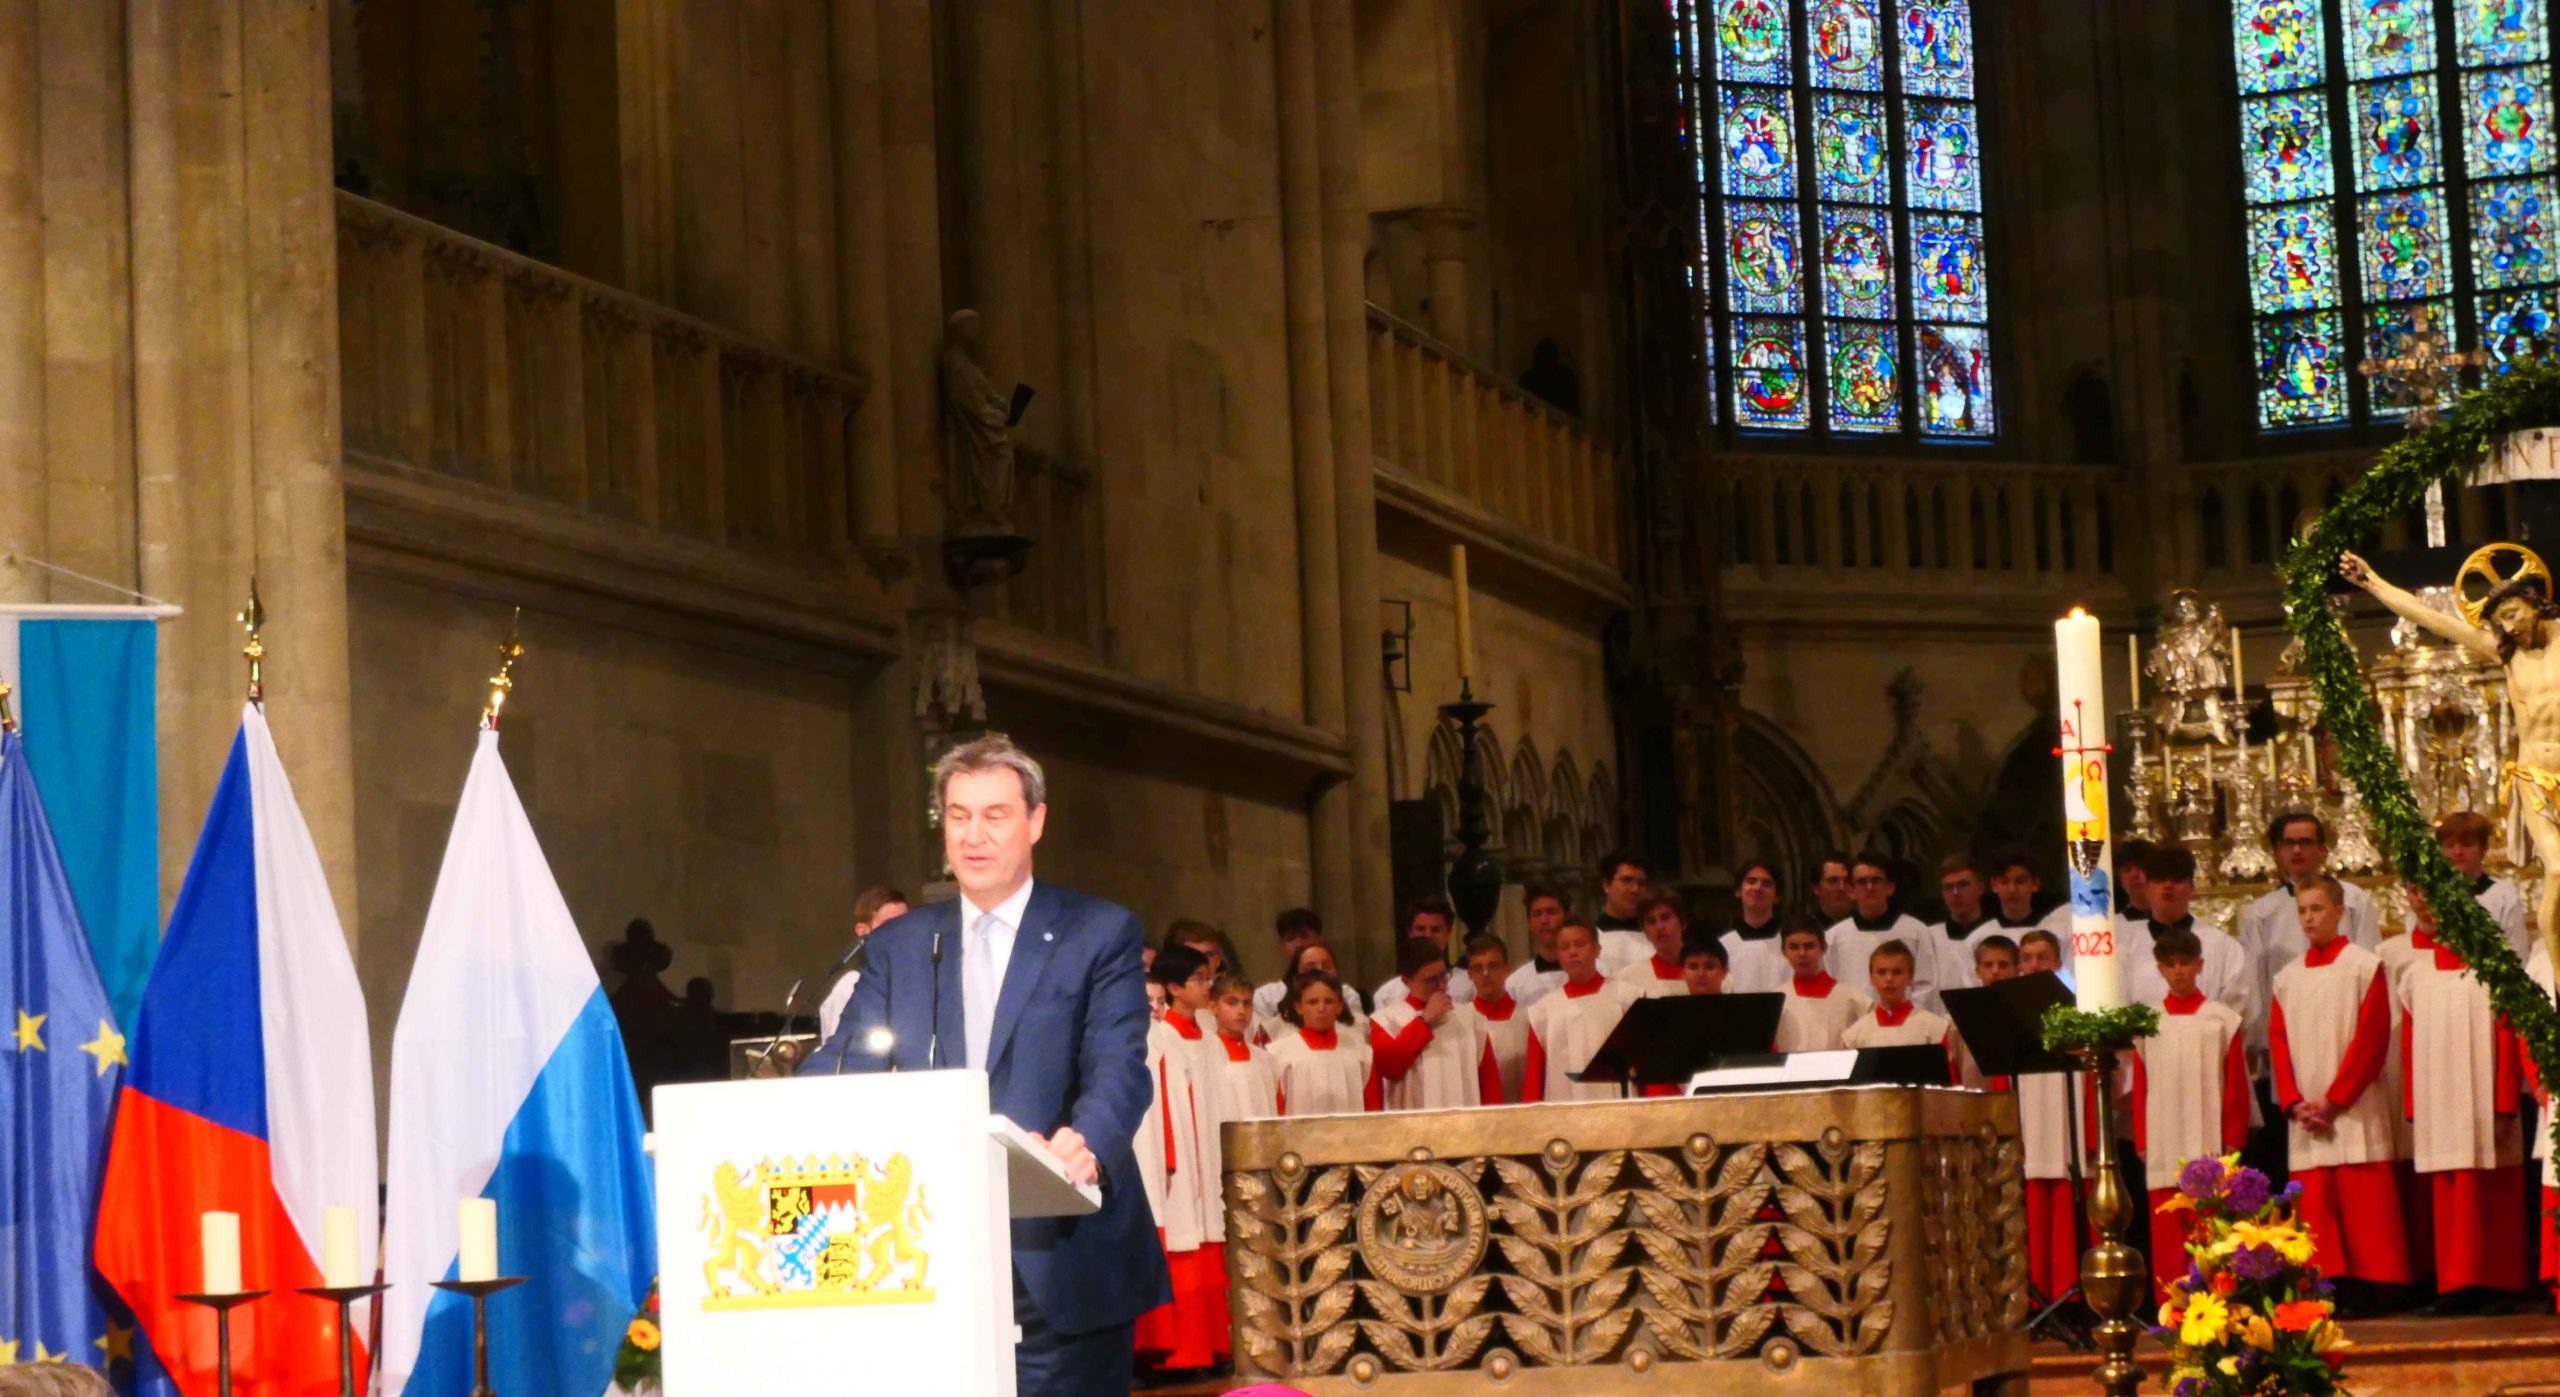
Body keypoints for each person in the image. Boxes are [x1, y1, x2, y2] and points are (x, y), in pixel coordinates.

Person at [810, 735, 1162, 1393]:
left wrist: (1085, 1141)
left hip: (1060, 1253)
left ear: (1035, 821)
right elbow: (845, 1061)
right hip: (926, 1255)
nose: (974, 835)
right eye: (959, 814)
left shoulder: (1098, 930)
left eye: (995, 814)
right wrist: (776, 1120)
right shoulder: (901, 943)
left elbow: (1119, 1063)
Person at [2345, 547, 2560, 959]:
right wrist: (2371, 581)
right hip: (2534, 778)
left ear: (2534, 602)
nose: (2510, 627)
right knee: (2556, 870)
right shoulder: (2506, 655)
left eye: (2513, 613)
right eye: (2501, 621)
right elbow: (2431, 617)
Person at [2269, 874, 2411, 1310]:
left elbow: (2371, 1040)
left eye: (2316, 909)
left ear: (2338, 911)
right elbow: (2279, 1044)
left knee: (2364, 1203)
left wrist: (2335, 1101)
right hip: (2308, 1114)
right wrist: (2295, 1101)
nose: (2309, 918)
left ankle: (2377, 1289)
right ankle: (2326, 1287)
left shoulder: (2364, 967)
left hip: (2352, 1107)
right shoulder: (2286, 978)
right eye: (2302, 911)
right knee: (2319, 1210)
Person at [2400, 885, 2531, 1313]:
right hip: (2440, 1102)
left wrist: (2504, 1104)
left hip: (2486, 1102)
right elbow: (2408, 1046)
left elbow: (2509, 1042)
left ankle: (2498, 1286)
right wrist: (2414, 1106)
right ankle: (2455, 1285)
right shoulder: (2415, 977)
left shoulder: (2496, 972)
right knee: (2450, 1196)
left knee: (2491, 1196)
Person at [2128, 927, 2250, 1292]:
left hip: (2207, 1136)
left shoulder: (2221, 1020)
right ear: (2160, 969)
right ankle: (2170, 1303)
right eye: (2170, 964)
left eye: (2185, 963)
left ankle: (2213, 1296)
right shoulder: (2147, 1024)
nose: (2179, 971)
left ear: (2200, 965)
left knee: (2208, 1226)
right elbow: (2141, 1085)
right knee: (2166, 1223)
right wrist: (2142, 1136)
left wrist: (2232, 1138)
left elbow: (2236, 1087)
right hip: (2164, 1136)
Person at [1135, 947, 1226, 1376]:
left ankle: (1205, 1346)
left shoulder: (1193, 1037)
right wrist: (1174, 1156)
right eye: (1199, 979)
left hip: (1193, 1152)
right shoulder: (1156, 1036)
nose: (1208, 987)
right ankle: (1173, 1349)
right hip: (1163, 1155)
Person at [2243, 812, 2379, 1052]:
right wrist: (2262, 1040)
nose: (2297, 850)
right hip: (2289, 1029)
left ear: (2323, 849)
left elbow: (2371, 965)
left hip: (2346, 1025)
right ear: (2277, 852)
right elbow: (2256, 980)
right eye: (2289, 843)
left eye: (2305, 842)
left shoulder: (2354, 899)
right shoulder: (2261, 912)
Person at [2014, 928, 2084, 1302]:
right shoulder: (2011, 1012)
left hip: (2067, 1125)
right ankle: (2038, 1294)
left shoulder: (2077, 1006)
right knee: (2033, 1210)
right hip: (2029, 1124)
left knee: (2066, 1207)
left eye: (2042, 957)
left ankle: (2070, 1296)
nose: (2035, 965)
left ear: (2058, 962)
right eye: (2027, 958)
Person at [2123, 846, 2253, 1024]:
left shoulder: (2222, 946)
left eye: (2177, 879)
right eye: (2160, 879)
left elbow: (2237, 1006)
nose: (2168, 886)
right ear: (2146, 887)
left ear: (2192, 887)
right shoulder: (2126, 947)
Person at [1369, 937, 1503, 1110]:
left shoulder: (1470, 1019)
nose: (1441, 986)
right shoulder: (1386, 1020)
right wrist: (1424, 1021)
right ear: (1406, 981)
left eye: (1443, 976)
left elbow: (1490, 1086)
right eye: (1431, 980)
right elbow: (1389, 1066)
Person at [1521, 920, 1637, 1103]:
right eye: (1565, 947)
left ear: (1597, 950)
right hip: (1564, 1110)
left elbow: (1645, 1064)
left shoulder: (1627, 998)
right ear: (1558, 955)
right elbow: (1534, 1080)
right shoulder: (1543, 1011)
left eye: (1580, 944)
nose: (1573, 952)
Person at [1826, 853, 1935, 1009]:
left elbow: (1926, 985)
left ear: (1890, 887)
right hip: (1853, 1026)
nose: (1869, 887)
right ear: (1851, 890)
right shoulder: (1835, 936)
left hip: (1904, 1023)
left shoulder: (1915, 931)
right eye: (1862, 882)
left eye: (1876, 880)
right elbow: (1833, 987)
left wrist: (1908, 1021)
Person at [1839, 940, 1953, 1081]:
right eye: (1881, 972)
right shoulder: (1853, 1036)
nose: (1889, 978)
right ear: (1871, 978)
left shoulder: (1936, 1029)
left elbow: (1949, 1084)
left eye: (1897, 972)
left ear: (1910, 977)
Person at [1267, 970, 1377, 1115]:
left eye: (1329, 1001)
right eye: (1312, 1002)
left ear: (1339, 1006)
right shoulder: (1278, 1054)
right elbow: (1274, 1113)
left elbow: (1373, 1110)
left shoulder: (1361, 1054)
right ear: (1298, 1007)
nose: (1321, 1009)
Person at [814, 884, 912, 1042]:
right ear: (863, 931)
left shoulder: (923, 979)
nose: (900, 932)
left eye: (905, 923)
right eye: (889, 924)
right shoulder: (850, 987)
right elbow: (838, 1055)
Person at [2438, 810, 2532, 968]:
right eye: (2450, 845)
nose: (2457, 852)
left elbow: (2518, 954)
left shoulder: (2504, 895)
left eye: (2467, 844)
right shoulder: (2430, 896)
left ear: (2484, 849)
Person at [1774, 920, 1867, 1052]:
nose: (1802, 953)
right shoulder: (1777, 1001)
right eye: (1794, 947)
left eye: (1809, 946)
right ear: (1784, 952)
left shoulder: (1854, 1000)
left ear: (1823, 948)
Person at [1203, 972, 1279, 1125]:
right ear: (1213, 1006)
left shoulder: (1266, 1060)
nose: (1241, 1011)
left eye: (1247, 1003)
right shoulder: (1205, 1059)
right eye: (1232, 1003)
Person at [1465, 935, 1532, 1103]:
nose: (1486, 974)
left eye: (1493, 966)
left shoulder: (1529, 1017)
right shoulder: (1462, 1021)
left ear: (1507, 969)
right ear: (1470, 974)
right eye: (1478, 968)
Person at [1260, 940, 1367, 1044]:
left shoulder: (1362, 1027)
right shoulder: (1274, 1031)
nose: (1320, 972)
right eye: (1310, 968)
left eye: (1327, 966)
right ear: (1295, 977)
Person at [1373, 897, 1470, 1009]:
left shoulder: (1468, 985)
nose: (1428, 936)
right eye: (1420, 929)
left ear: (1449, 933)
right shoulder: (1387, 994)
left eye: (1435, 930)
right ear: (1410, 932)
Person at [1721, 859, 1791, 994]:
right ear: (1738, 891)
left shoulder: (1791, 943)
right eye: (1751, 881)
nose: (1758, 888)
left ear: (1777, 896)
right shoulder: (1724, 945)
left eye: (1766, 883)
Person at [1252, 908, 1327, 1026]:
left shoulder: (1347, 995)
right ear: (1282, 946)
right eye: (1290, 939)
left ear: (1320, 940)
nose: (1298, 944)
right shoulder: (1265, 997)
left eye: (1304, 937)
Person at [1506, 884, 1571, 1008]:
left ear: (1567, 916)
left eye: (1551, 912)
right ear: (1529, 922)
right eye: (1537, 914)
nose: (1544, 920)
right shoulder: (1515, 984)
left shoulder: (1591, 972)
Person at [1626, 893, 1693, 998]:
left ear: (1683, 922)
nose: (1659, 926)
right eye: (1651, 921)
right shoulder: (1630, 978)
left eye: (1665, 917)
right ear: (1645, 932)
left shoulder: (1710, 973)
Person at [1595, 852, 1652, 968]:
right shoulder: (1590, 938)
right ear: (1606, 884)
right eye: (1626, 880)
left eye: (1641, 883)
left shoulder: (1655, 936)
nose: (1635, 889)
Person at [2114, 837, 2157, 931]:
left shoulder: (2179, 922)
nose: (2134, 875)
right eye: (2127, 869)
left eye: (2141, 867)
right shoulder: (2114, 927)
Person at [1809, 852, 1855, 927]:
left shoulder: (1869, 929)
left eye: (1847, 881)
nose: (1841, 887)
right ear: (1816, 888)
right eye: (1833, 881)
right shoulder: (1805, 930)